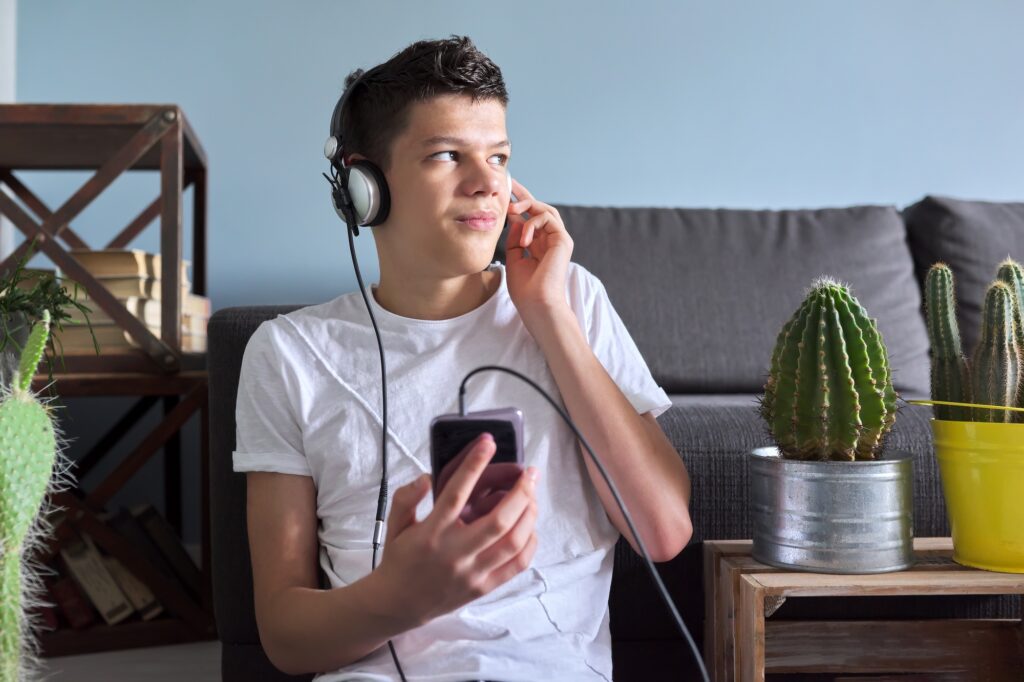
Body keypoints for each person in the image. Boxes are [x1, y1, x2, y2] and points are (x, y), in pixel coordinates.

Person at [233, 35, 693, 682]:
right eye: (447, 155)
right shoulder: (287, 355)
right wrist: (399, 597)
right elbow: (285, 638)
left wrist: (549, 316)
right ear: (366, 187)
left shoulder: (573, 300)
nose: (486, 184)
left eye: (499, 156)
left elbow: (663, 531)